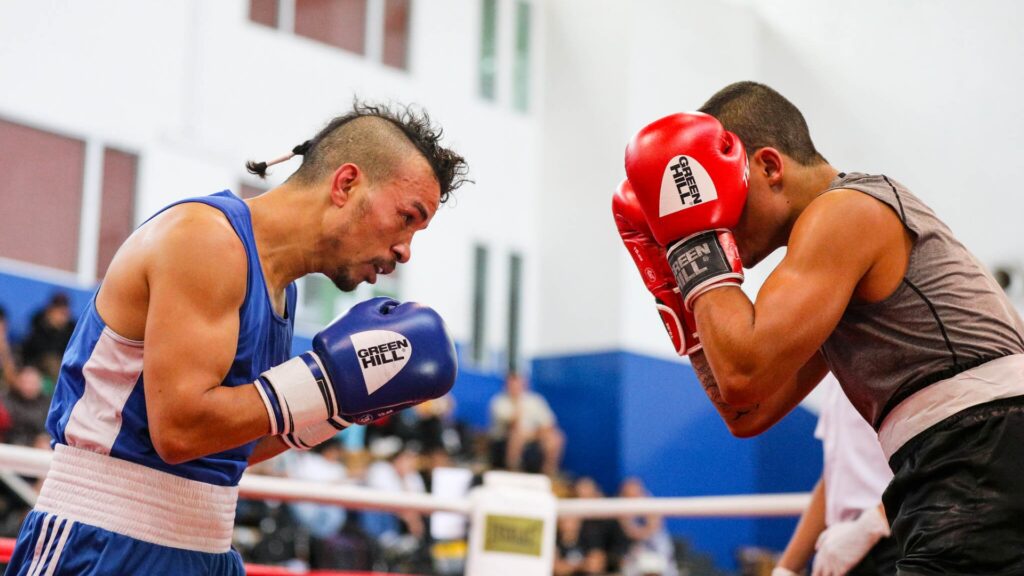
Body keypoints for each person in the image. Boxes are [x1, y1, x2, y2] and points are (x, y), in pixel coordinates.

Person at [5, 101, 468, 576]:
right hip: (104, 542)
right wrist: (325, 384)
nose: (405, 251)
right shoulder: (205, 239)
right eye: (407, 217)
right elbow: (180, 431)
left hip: (204, 551)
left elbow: (231, 446)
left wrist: (337, 408)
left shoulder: (280, 290)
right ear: (346, 183)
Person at [615, 81, 1024, 574]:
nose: (721, 224)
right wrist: (676, 286)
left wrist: (691, 240)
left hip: (985, 447)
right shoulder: (825, 272)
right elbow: (746, 409)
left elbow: (745, 372)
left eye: (721, 200)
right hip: (960, 460)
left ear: (769, 167)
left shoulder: (846, 210)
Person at [774, 375, 896, 576]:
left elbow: (944, 455)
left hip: (905, 538)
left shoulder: (910, 352)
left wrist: (874, 523)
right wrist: (785, 569)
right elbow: (837, 475)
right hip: (843, 551)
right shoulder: (835, 374)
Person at [488, 372, 565, 476]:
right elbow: (512, 425)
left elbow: (548, 424)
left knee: (556, 437)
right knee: (517, 434)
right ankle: (513, 471)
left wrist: (536, 433)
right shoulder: (499, 402)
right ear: (506, 385)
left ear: (524, 384)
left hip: (534, 435)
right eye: (512, 384)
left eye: (518, 383)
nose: (515, 386)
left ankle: (548, 473)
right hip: (506, 438)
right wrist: (517, 404)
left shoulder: (536, 400)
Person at [617, 477, 677, 576]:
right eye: (629, 495)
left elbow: (651, 527)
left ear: (642, 493)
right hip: (636, 553)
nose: (633, 498)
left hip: (657, 549)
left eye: (636, 494)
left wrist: (640, 531)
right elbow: (630, 532)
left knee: (656, 566)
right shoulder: (620, 508)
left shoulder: (650, 504)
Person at [1, 365, 51, 447]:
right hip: (13, 447)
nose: (29, 387)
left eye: (33, 383)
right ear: (18, 382)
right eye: (26, 382)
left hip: (41, 448)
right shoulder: (7, 400)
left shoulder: (47, 402)